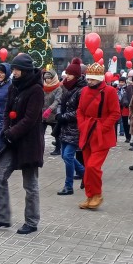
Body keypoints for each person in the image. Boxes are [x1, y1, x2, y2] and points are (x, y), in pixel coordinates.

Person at [0, 54, 44, 234]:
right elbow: (6, 111)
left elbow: (30, 119)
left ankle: (32, 221)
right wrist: (5, 129)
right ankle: (3, 216)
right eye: (14, 69)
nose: (14, 72)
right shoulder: (14, 87)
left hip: (29, 143)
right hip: (12, 142)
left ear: (25, 71)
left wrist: (11, 132)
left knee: (30, 184)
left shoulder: (36, 90)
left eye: (17, 69)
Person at [75, 62, 121, 210]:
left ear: (100, 78)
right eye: (88, 79)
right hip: (87, 133)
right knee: (87, 167)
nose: (90, 82)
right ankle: (90, 196)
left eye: (93, 79)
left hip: (102, 136)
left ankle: (97, 195)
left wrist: (103, 127)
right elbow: (80, 111)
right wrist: (82, 126)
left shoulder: (110, 91)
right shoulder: (84, 91)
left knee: (93, 166)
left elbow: (115, 113)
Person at [56, 58, 86, 195]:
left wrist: (64, 116)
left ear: (76, 75)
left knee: (67, 156)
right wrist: (58, 114)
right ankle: (85, 173)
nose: (66, 75)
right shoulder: (66, 87)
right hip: (64, 127)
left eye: (69, 73)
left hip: (75, 128)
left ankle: (68, 186)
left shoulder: (81, 90)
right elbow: (60, 104)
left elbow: (80, 110)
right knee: (64, 155)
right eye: (66, 73)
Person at [41, 71, 63, 155]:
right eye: (46, 78)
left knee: (56, 133)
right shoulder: (43, 87)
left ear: (53, 78)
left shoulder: (58, 88)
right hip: (43, 114)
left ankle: (58, 149)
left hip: (53, 114)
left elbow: (57, 100)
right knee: (40, 134)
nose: (47, 80)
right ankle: (40, 149)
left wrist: (50, 109)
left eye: (49, 78)